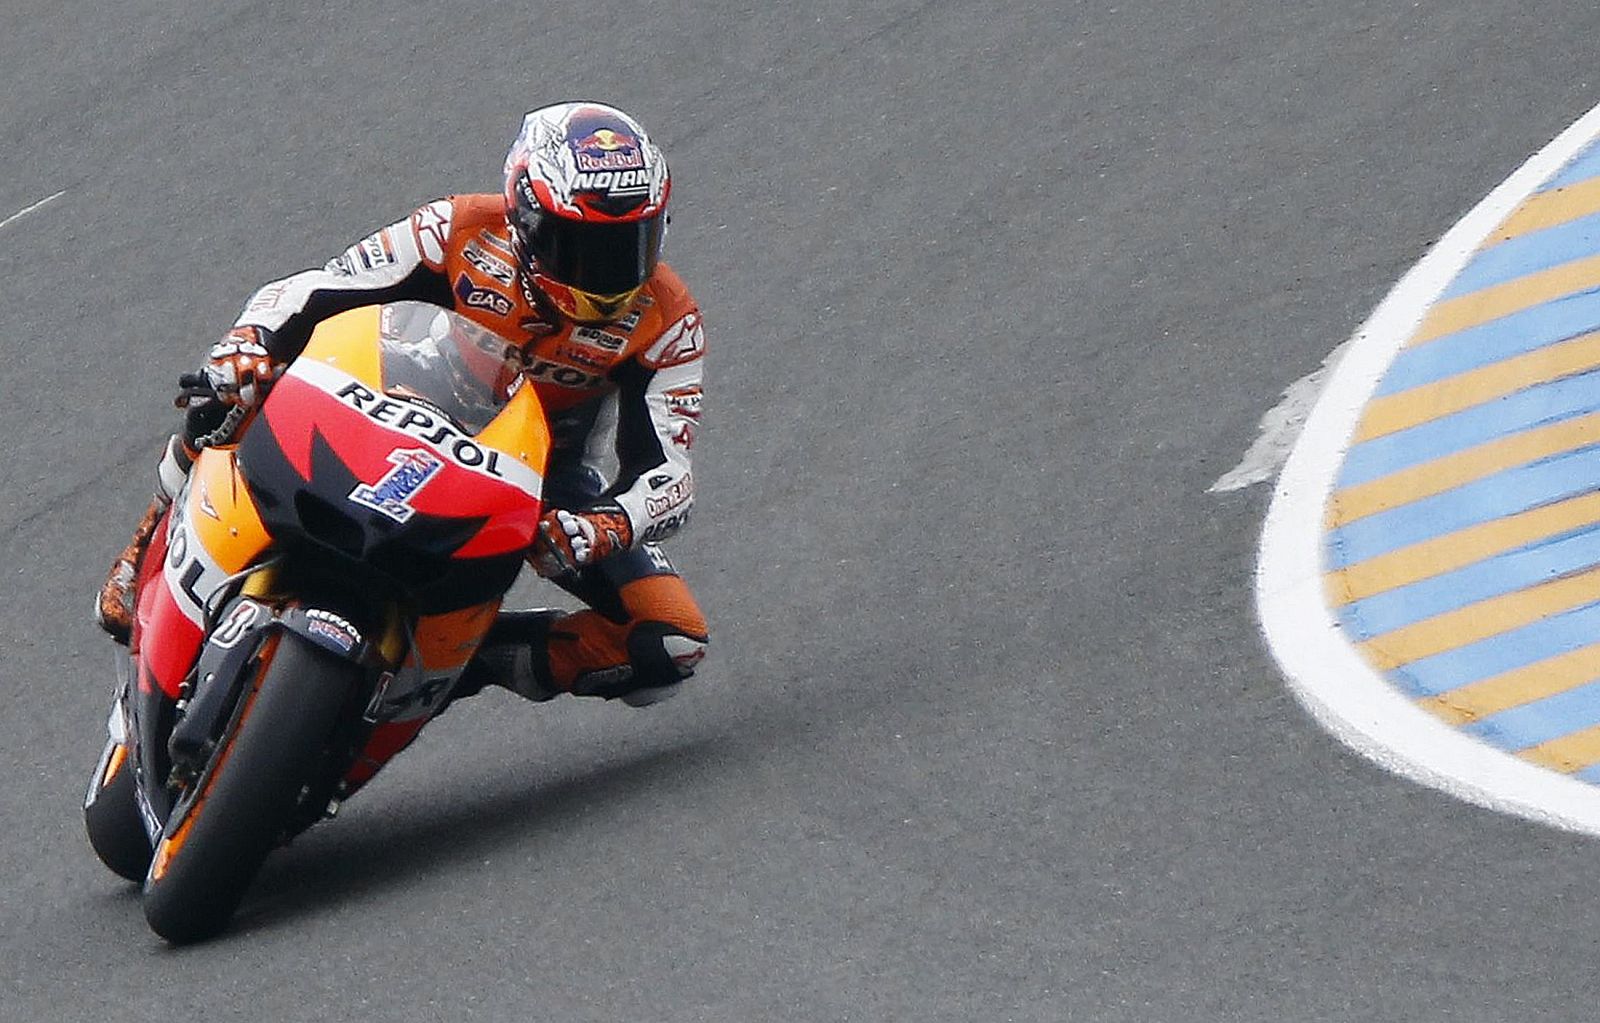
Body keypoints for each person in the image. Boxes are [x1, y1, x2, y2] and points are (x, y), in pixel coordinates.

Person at [95, 101, 709, 707]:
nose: (609, 274)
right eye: (583, 246)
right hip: (385, 401)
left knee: (671, 641)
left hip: (532, 476)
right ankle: (147, 539)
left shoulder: (668, 319)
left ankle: (464, 660)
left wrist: (606, 525)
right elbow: (317, 288)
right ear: (526, 216)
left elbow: (670, 474)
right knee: (235, 383)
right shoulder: (456, 228)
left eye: (633, 242)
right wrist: (246, 344)